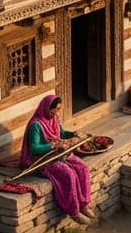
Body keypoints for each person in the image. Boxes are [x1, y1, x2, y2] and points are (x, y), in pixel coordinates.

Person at [20, 95, 93, 225]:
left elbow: (62, 134)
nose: (58, 112)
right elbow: (34, 149)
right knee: (69, 174)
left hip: (59, 153)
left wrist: (74, 134)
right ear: (48, 108)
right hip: (42, 159)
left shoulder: (54, 119)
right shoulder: (36, 125)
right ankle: (74, 211)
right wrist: (53, 145)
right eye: (56, 109)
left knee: (82, 168)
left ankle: (84, 204)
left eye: (59, 109)